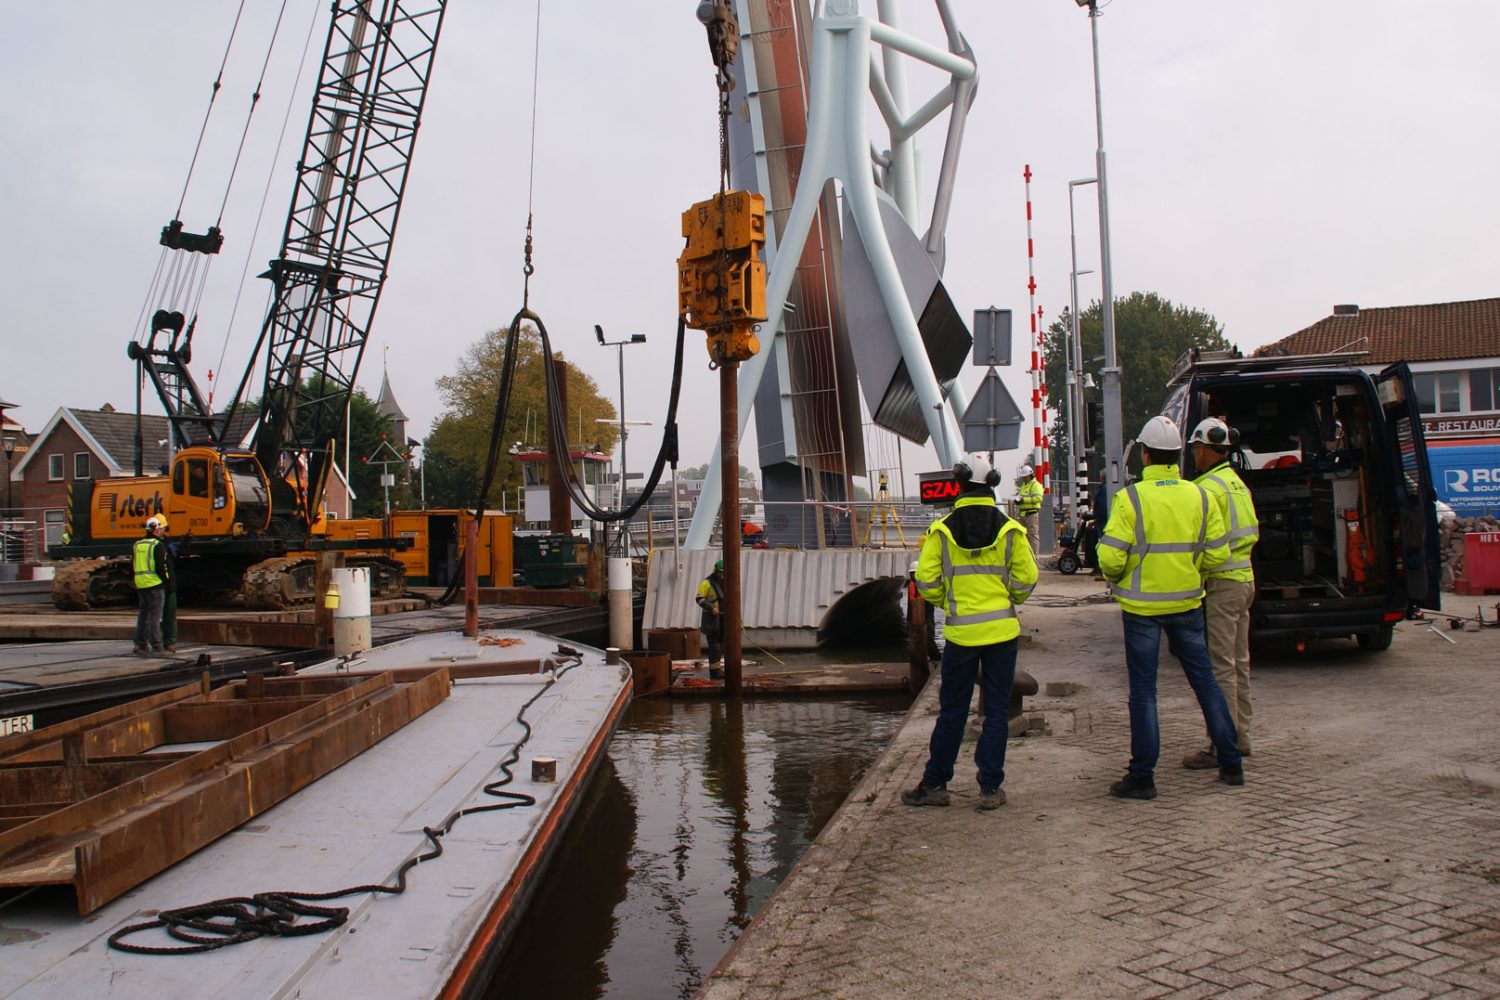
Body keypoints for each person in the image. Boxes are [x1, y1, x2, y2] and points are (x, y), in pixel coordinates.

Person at [1098, 416, 1243, 799]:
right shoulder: (1200, 496)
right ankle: (1231, 763)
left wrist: (1131, 571)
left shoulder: (1129, 499)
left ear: (1144, 456)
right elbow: (1217, 554)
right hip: (1188, 603)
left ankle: (1143, 777)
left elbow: (1110, 560)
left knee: (1144, 692)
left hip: (1142, 609)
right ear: (1179, 456)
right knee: (1206, 683)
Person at [903, 453, 1038, 811]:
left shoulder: (942, 531)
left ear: (959, 484)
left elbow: (927, 580)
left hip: (962, 635)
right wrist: (1011, 598)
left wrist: (950, 604)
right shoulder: (1010, 530)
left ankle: (935, 784)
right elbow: (1027, 580)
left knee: (952, 711)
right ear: (990, 486)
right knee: (995, 711)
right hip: (1001, 634)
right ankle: (990, 789)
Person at [1182, 417, 1259, 769]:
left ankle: (1222, 744)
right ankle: (1241, 736)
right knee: (1239, 663)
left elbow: (1204, 542)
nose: (1194, 455)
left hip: (1223, 583)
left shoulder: (1209, 489)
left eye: (1196, 449)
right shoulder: (1236, 483)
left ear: (1204, 449)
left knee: (1221, 669)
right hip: (1245, 579)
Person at [132, 515, 169, 657]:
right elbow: (161, 567)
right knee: (155, 616)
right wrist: (166, 581)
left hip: (141, 584)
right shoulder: (157, 545)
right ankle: (157, 646)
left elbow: (134, 564)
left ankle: (140, 644)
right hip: (154, 583)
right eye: (161, 529)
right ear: (156, 530)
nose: (162, 531)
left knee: (143, 615)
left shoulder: (137, 545)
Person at [697, 559, 727, 680]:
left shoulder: (725, 582)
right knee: (715, 646)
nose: (722, 575)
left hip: (723, 619)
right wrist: (711, 608)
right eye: (720, 572)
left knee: (723, 645)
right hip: (711, 620)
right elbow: (699, 599)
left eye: (723, 573)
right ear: (715, 571)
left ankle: (719, 668)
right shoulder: (706, 583)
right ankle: (714, 671)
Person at [1014, 465, 1044, 556]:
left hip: (1031, 514)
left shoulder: (1036, 485)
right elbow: (1021, 496)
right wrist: (1018, 501)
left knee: (1033, 536)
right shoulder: (1024, 486)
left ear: (1029, 475)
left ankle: (1035, 557)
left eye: (1025, 477)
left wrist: (1024, 500)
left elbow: (1038, 498)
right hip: (1023, 514)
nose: (1023, 478)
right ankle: (1026, 556)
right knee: (1023, 537)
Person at [160, 523, 179, 655]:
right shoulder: (159, 546)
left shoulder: (164, 544)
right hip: (161, 585)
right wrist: (168, 582)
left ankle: (144, 643)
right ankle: (166, 642)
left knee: (151, 615)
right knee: (166, 615)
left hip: (151, 585)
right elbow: (164, 568)